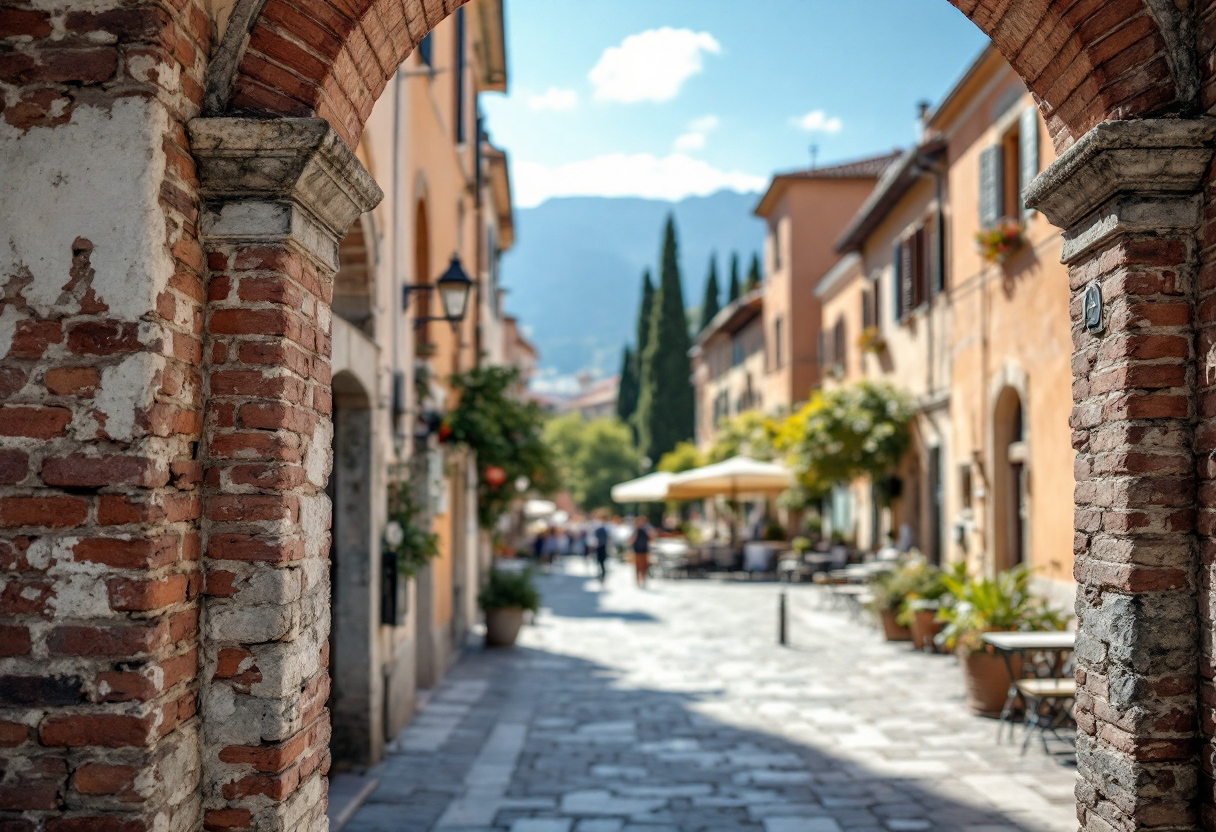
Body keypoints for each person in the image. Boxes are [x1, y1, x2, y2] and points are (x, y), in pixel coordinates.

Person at [629, 516, 652, 588]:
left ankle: (643, 580)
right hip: (637, 550)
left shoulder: (647, 529)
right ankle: (638, 581)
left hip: (645, 550)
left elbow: (651, 538)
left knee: (644, 567)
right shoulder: (635, 530)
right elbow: (631, 540)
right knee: (637, 567)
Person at [593, 513, 611, 584]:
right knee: (598, 561)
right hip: (599, 546)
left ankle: (603, 574)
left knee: (602, 561)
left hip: (603, 546)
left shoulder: (607, 527)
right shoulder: (598, 526)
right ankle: (600, 573)